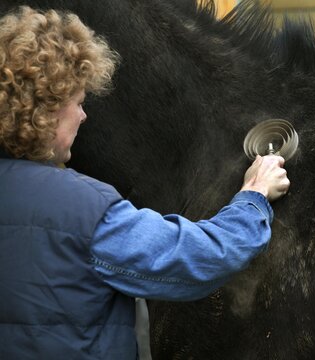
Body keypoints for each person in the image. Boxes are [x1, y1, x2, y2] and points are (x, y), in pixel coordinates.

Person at [0, 6, 290, 360]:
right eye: (78, 102)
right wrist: (254, 196)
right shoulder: (84, 211)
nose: (84, 115)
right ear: (46, 110)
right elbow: (196, 259)